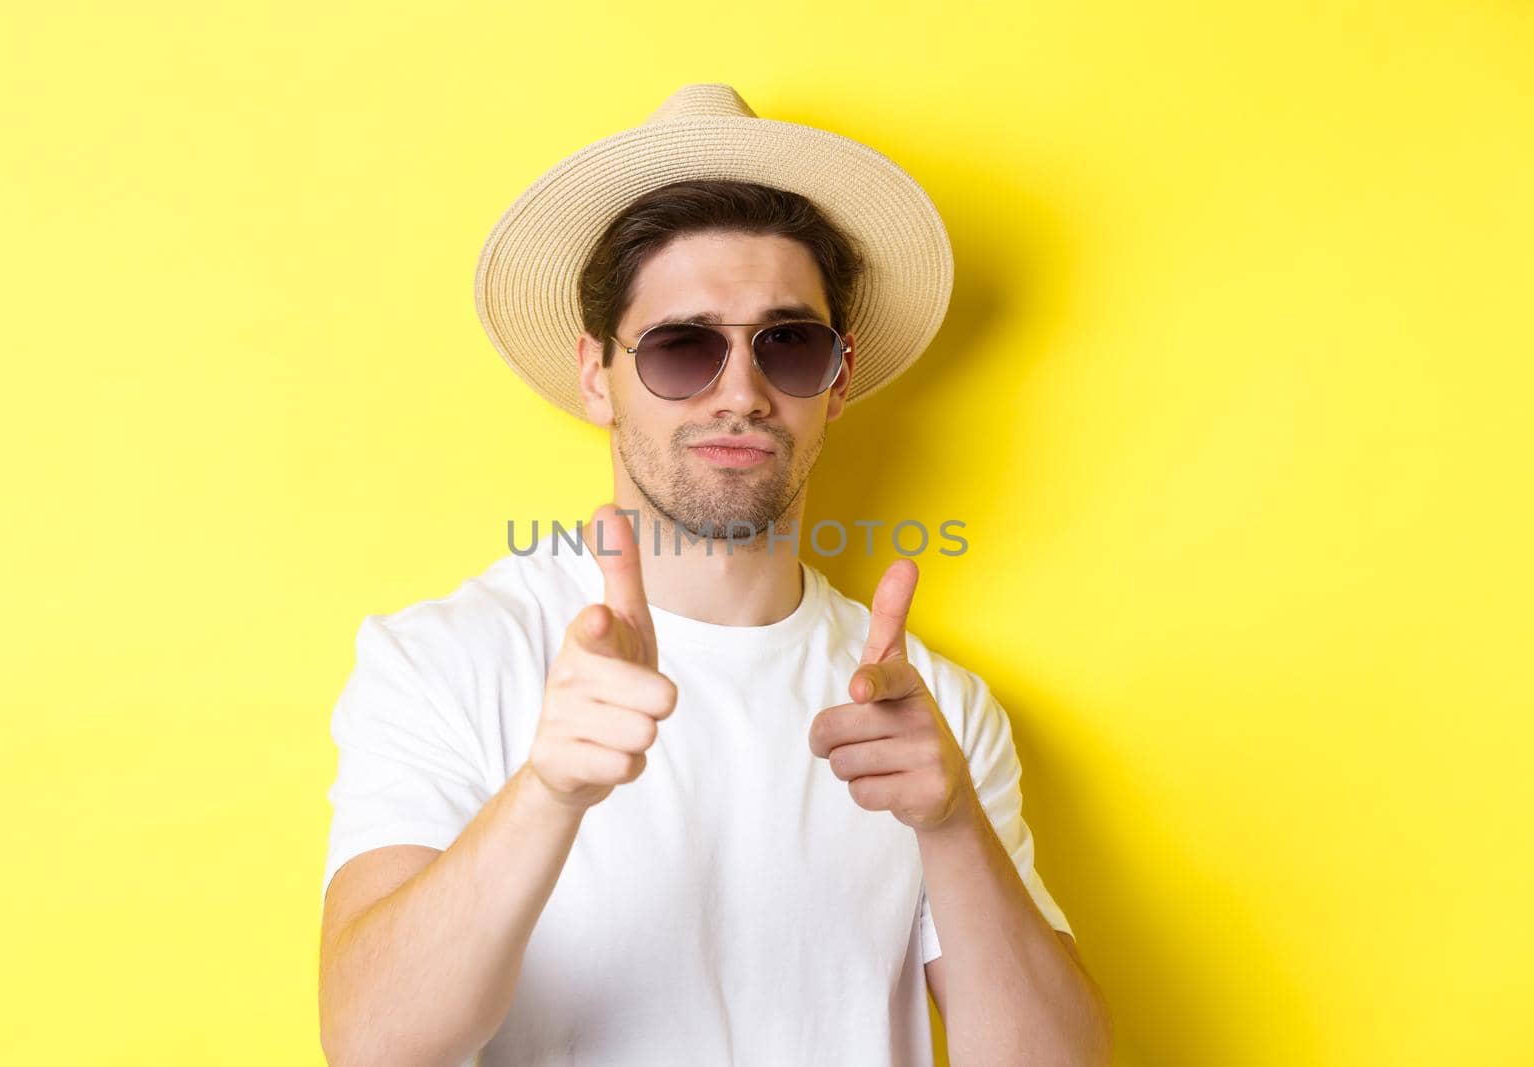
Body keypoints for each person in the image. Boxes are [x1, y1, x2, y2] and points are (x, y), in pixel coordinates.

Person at [317, 83, 1111, 1066]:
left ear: (839, 376)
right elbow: (369, 1045)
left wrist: (949, 827)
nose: (739, 392)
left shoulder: (932, 710)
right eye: (682, 346)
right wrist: (548, 791)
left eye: (788, 343)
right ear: (595, 374)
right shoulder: (444, 659)